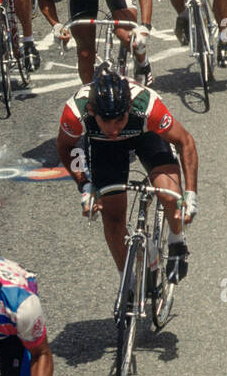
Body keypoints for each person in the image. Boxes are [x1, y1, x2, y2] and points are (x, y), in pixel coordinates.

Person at [58, 62, 197, 280]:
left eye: (119, 119)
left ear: (129, 109)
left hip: (146, 136)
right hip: (104, 146)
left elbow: (186, 142)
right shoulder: (76, 112)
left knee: (169, 194)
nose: (114, 129)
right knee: (112, 218)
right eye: (106, 121)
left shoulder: (147, 106)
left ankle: (176, 241)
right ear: (93, 112)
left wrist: (190, 194)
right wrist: (84, 184)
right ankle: (127, 282)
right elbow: (67, 147)